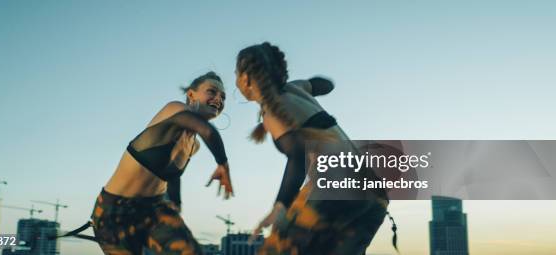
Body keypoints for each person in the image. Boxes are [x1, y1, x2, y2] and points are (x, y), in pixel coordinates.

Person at [235, 42, 390, 255]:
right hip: (374, 192)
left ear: (244, 78)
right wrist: (310, 85)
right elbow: (326, 85)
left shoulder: (273, 110)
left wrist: (280, 206)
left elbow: (297, 156)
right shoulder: (296, 88)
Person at [91, 71, 233, 255]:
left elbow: (171, 176)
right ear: (191, 95)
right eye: (212, 92)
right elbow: (208, 131)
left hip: (155, 210)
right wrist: (223, 164)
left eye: (223, 97)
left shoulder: (193, 145)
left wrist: (176, 203)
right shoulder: (174, 110)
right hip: (114, 213)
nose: (218, 99)